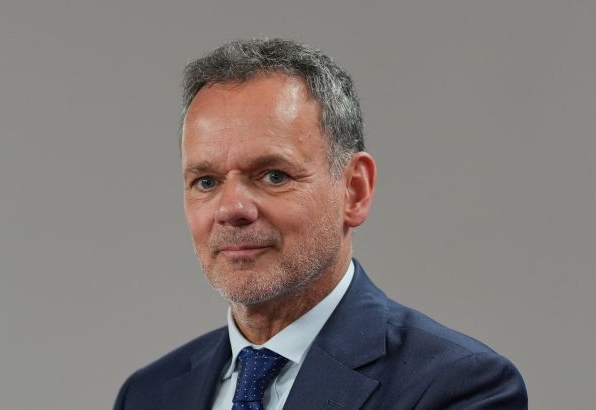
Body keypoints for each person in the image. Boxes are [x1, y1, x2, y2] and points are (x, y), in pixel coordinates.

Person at [113, 38, 527, 410]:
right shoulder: (147, 395)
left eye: (274, 175)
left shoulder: (458, 387)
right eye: (206, 181)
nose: (231, 208)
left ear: (354, 190)